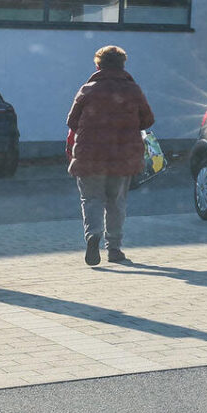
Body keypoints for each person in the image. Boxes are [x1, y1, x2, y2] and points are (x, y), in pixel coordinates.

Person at [66, 45, 155, 267]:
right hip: (122, 155)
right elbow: (148, 120)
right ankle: (114, 248)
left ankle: (93, 234)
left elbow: (72, 121)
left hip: (89, 155)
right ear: (123, 65)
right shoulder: (133, 91)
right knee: (116, 202)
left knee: (91, 199)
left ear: (98, 65)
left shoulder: (88, 90)